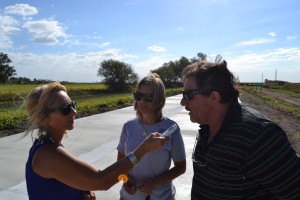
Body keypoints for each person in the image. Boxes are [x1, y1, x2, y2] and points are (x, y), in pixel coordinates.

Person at [24, 81, 167, 200]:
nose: (74, 112)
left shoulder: (48, 147)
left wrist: (82, 192)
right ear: (43, 118)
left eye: (73, 105)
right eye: (65, 109)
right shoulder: (48, 155)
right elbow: (101, 181)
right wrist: (143, 150)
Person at [180, 60, 300, 199]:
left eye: (188, 95)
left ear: (214, 97)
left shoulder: (258, 135)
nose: (183, 102)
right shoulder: (207, 127)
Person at [117, 73, 186, 200]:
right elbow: (120, 163)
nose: (142, 101)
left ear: (159, 99)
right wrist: (125, 180)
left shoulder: (171, 129)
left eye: (149, 97)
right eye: (139, 96)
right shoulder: (128, 127)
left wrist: (154, 182)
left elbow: (181, 167)